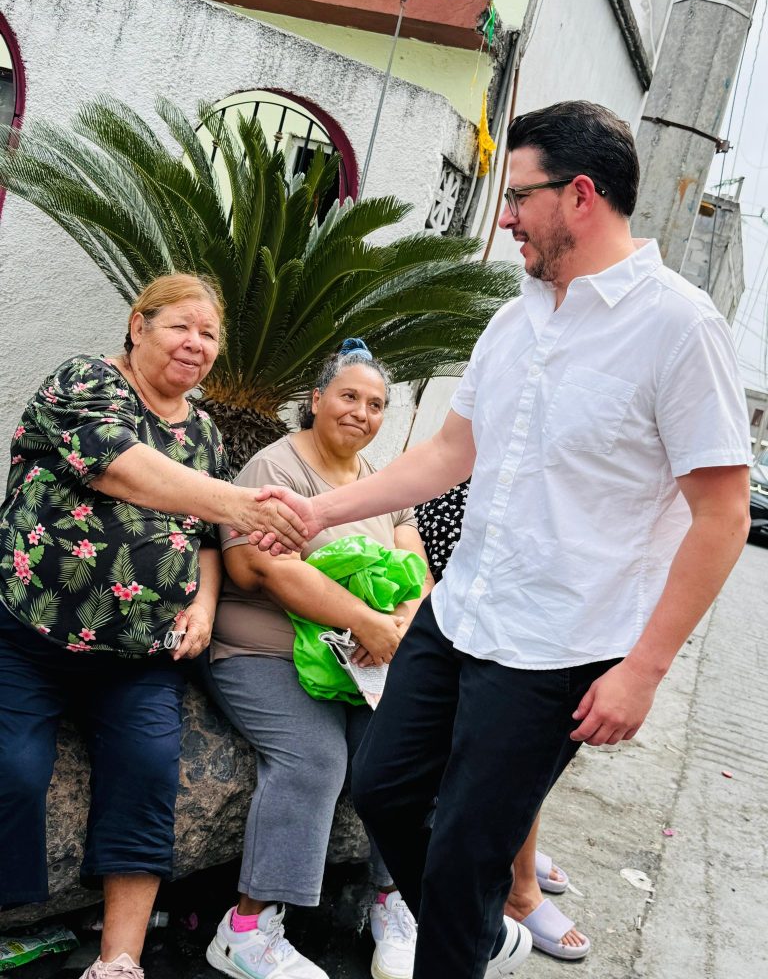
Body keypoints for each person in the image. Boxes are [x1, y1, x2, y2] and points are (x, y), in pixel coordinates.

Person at [255, 101, 753, 978]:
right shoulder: (516, 317)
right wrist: (320, 512)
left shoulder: (680, 327)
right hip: (460, 613)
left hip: (558, 647)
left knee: (466, 856)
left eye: (520, 196)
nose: (507, 217)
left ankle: (464, 938)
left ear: (581, 195)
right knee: (383, 789)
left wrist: (643, 671)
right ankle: (478, 933)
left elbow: (722, 515)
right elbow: (452, 453)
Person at [0, 274, 306, 979]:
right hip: (31, 637)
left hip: (139, 654)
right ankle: (15, 917)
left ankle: (119, 962)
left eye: (209, 334)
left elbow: (203, 539)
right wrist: (244, 505)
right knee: (13, 769)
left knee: (146, 770)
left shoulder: (203, 432)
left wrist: (203, 606)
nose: (195, 343)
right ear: (138, 325)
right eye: (180, 326)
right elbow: (122, 468)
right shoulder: (84, 383)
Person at [205, 340, 434, 979]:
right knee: (314, 757)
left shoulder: (381, 483)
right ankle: (245, 932)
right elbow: (263, 569)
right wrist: (365, 620)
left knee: (406, 750)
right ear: (316, 400)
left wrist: (400, 622)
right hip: (266, 649)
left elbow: (414, 563)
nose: (361, 412)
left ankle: (395, 901)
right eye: (348, 396)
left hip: (359, 653)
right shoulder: (274, 468)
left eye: (376, 404)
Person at [415, 486, 589, 960]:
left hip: (528, 599)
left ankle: (515, 874)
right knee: (500, 762)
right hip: (471, 592)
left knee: (519, 762)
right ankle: (511, 886)